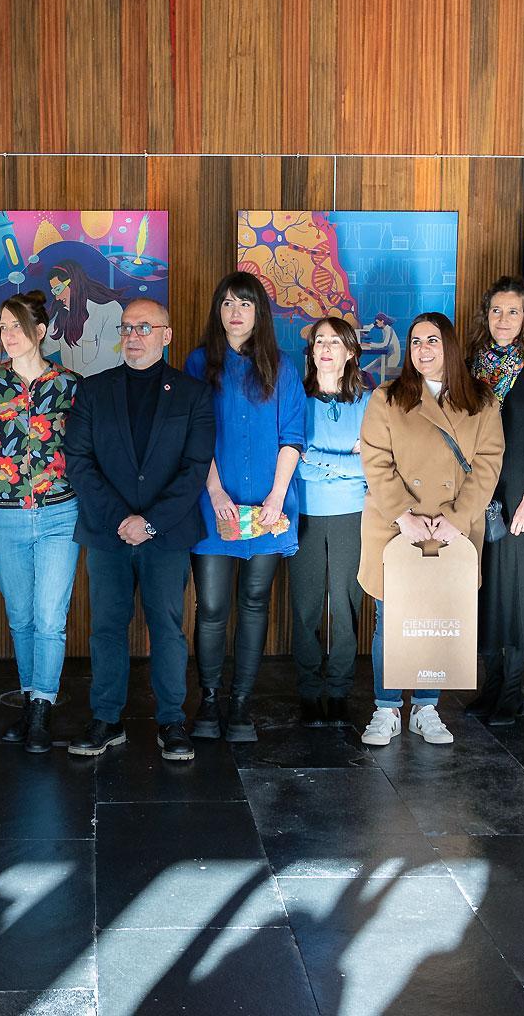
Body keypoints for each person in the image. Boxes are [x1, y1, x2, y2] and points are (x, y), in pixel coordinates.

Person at [65, 298, 214, 761]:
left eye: (144, 327)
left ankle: (172, 721)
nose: (133, 335)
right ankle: (107, 719)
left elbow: (194, 469)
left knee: (167, 628)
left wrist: (148, 522)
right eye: (127, 327)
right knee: (107, 628)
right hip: (107, 532)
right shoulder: (93, 390)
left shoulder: (193, 394)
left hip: (166, 534)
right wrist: (121, 520)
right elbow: (79, 462)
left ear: (166, 336)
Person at [358, 312, 504, 747]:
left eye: (433, 341)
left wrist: (458, 520)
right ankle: (386, 709)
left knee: (440, 619)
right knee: (391, 621)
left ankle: (426, 705)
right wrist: (404, 514)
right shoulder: (388, 397)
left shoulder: (481, 400)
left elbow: (488, 463)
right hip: (395, 526)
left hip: (451, 530)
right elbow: (376, 460)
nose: (423, 349)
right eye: (416, 341)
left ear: (450, 347)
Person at [184, 272, 303, 743]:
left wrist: (277, 497)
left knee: (254, 604)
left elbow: (292, 435)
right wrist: (214, 493)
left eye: (245, 304)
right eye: (228, 303)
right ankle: (210, 701)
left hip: (271, 508)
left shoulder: (283, 366)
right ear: (218, 311)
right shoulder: (199, 363)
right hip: (216, 505)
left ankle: (240, 706)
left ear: (259, 313)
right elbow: (195, 434)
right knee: (212, 607)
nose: (235, 312)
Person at [0, 291, 83, 754]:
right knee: (20, 617)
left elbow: (86, 451)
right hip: (1, 516)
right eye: (2, 327)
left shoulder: (71, 385)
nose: (9, 335)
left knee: (49, 617)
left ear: (41, 332)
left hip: (60, 512)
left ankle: (41, 708)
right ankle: (28, 700)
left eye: (17, 326)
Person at [464, 277, 524, 728]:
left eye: (513, 312)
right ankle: (490, 686)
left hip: (522, 495)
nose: (503, 320)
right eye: (496, 311)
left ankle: (513, 692)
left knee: (517, 592)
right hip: (477, 495)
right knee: (483, 589)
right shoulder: (469, 366)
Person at [289, 317, 369, 728]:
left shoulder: (369, 403)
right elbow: (291, 466)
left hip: (351, 515)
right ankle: (308, 689)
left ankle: (339, 690)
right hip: (303, 513)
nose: (325, 347)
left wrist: (317, 458)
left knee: (345, 604)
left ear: (351, 352)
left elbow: (372, 468)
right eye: (319, 340)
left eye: (335, 342)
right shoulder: (295, 400)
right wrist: (344, 462)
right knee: (305, 606)